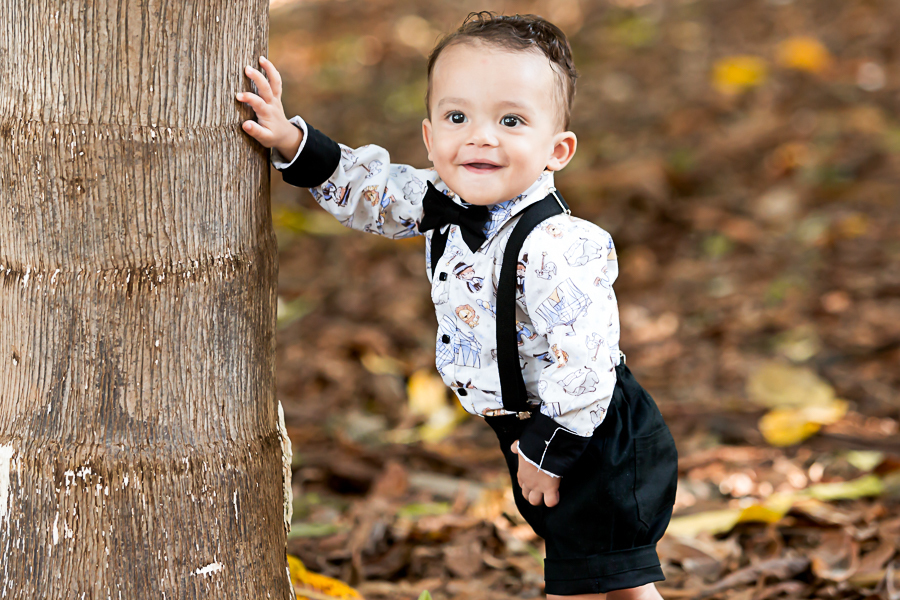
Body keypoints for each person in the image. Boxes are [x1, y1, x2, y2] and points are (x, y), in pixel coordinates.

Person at [235, 11, 678, 599]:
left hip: (588, 433)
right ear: (429, 137)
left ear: (558, 150)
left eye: (511, 120)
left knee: (578, 584)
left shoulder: (559, 245)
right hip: (536, 430)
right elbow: (371, 191)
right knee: (621, 582)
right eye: (457, 117)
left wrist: (550, 451)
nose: (480, 136)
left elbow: (586, 362)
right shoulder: (440, 198)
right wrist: (291, 141)